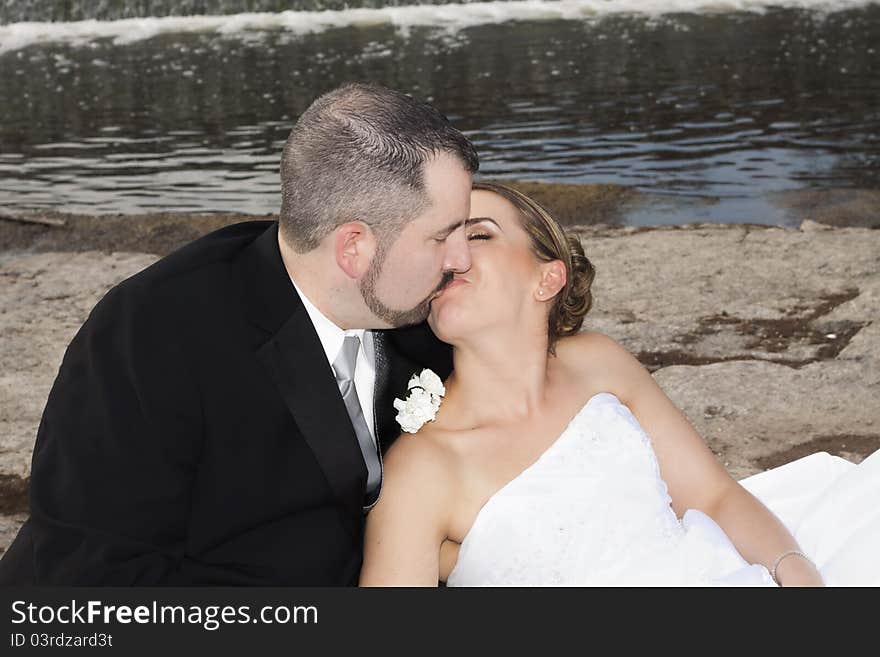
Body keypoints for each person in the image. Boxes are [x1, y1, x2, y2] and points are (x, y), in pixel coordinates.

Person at [0, 82, 476, 585]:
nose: (462, 259)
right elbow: (100, 572)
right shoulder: (152, 334)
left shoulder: (422, 312)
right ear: (353, 247)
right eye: (444, 235)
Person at [359, 181, 880, 587]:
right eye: (442, 240)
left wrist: (797, 572)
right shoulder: (421, 469)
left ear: (548, 278)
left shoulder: (597, 363)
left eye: (479, 234)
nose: (454, 255)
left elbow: (712, 495)